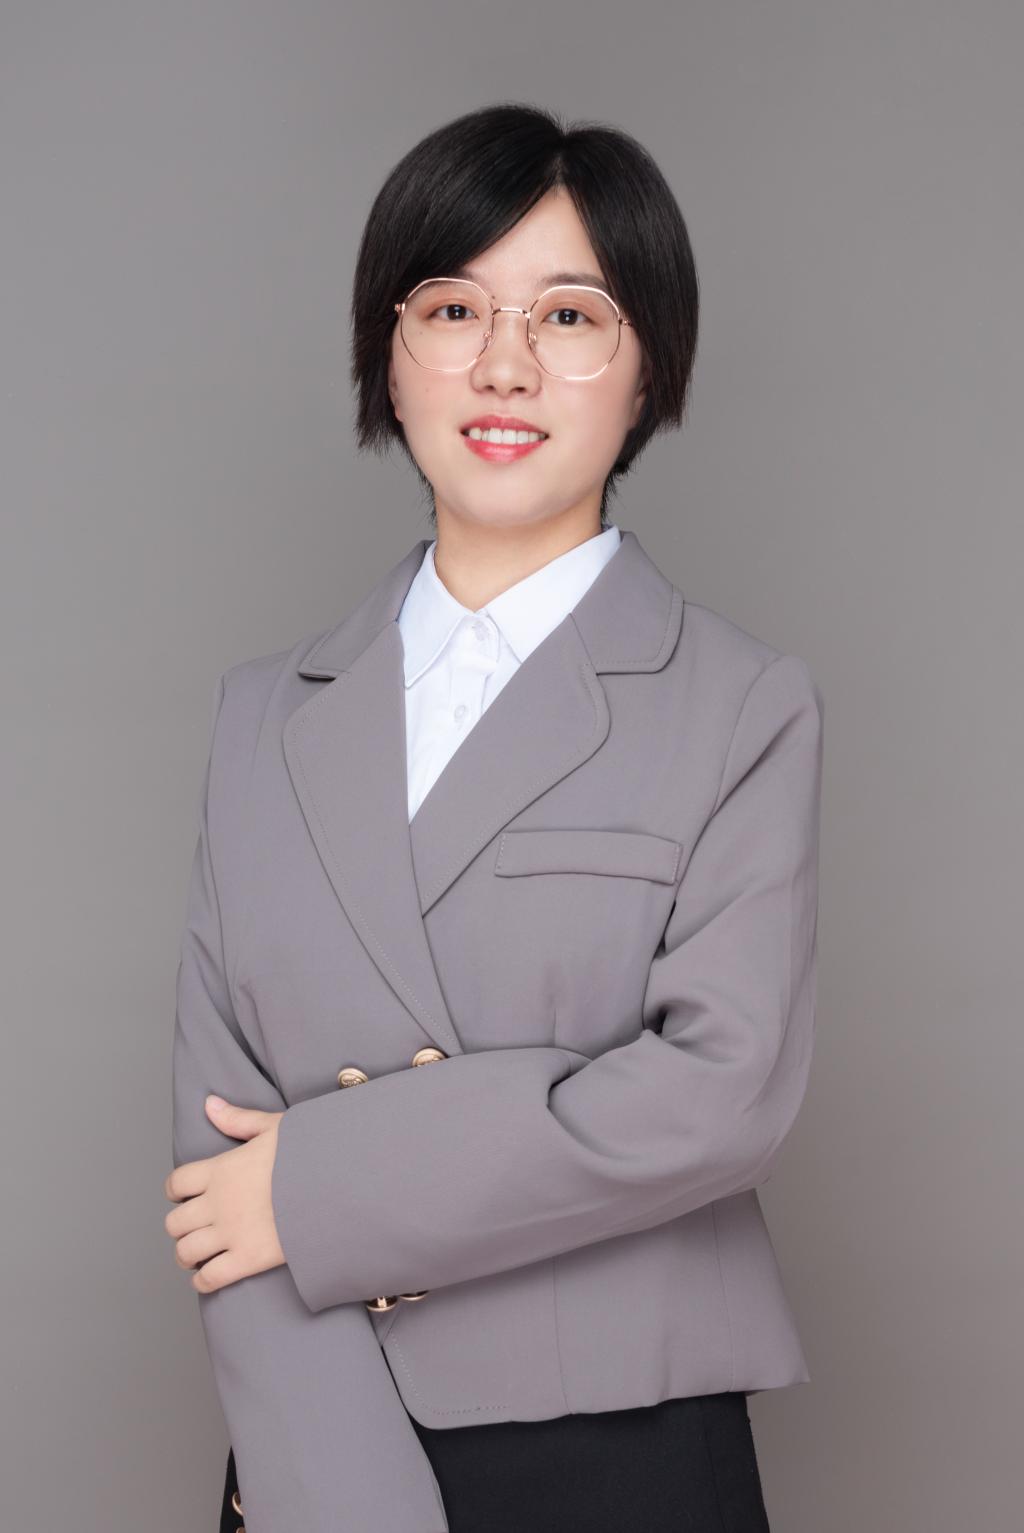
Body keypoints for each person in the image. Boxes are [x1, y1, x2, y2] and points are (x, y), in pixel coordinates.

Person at [164, 101, 824, 1533]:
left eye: (570, 315)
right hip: (315, 1441)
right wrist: (330, 1490)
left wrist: (325, 1185)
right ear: (388, 356)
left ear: (647, 370)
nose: (504, 363)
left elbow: (720, 1092)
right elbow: (219, 1177)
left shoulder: (739, 703)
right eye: (453, 307)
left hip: (625, 1452)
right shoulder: (260, 716)